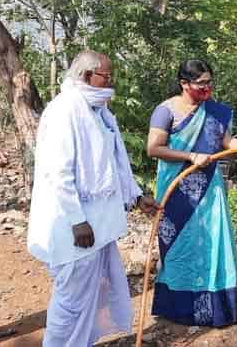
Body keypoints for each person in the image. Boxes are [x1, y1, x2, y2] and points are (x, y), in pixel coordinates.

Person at [27, 51, 158, 346]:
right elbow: (58, 171)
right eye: (106, 77)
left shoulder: (98, 111)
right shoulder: (65, 111)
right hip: (74, 229)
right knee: (72, 301)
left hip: (97, 226)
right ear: (87, 76)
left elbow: (112, 163)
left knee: (89, 298)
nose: (111, 83)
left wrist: (136, 197)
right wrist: (77, 221)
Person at [146, 59, 237, 326]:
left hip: (210, 189)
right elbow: (154, 148)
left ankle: (215, 308)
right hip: (176, 190)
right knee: (179, 247)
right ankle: (177, 308)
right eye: (201, 83)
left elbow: (227, 143)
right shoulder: (165, 111)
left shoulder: (215, 112)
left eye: (209, 82)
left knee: (212, 242)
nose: (207, 88)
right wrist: (190, 155)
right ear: (184, 84)